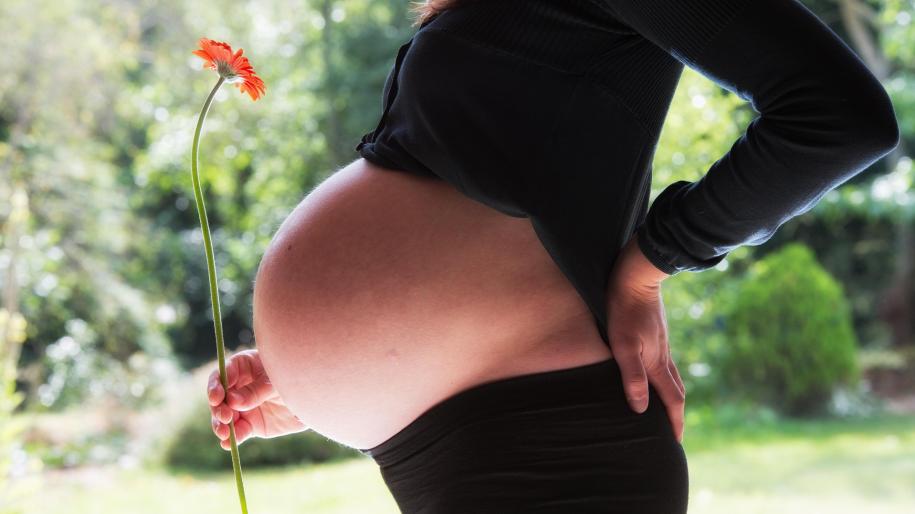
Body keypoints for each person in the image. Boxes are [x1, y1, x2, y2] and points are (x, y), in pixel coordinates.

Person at [207, 0, 899, 512]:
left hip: (548, 446)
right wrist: (316, 382)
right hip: (471, 434)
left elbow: (837, 117)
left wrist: (649, 263)